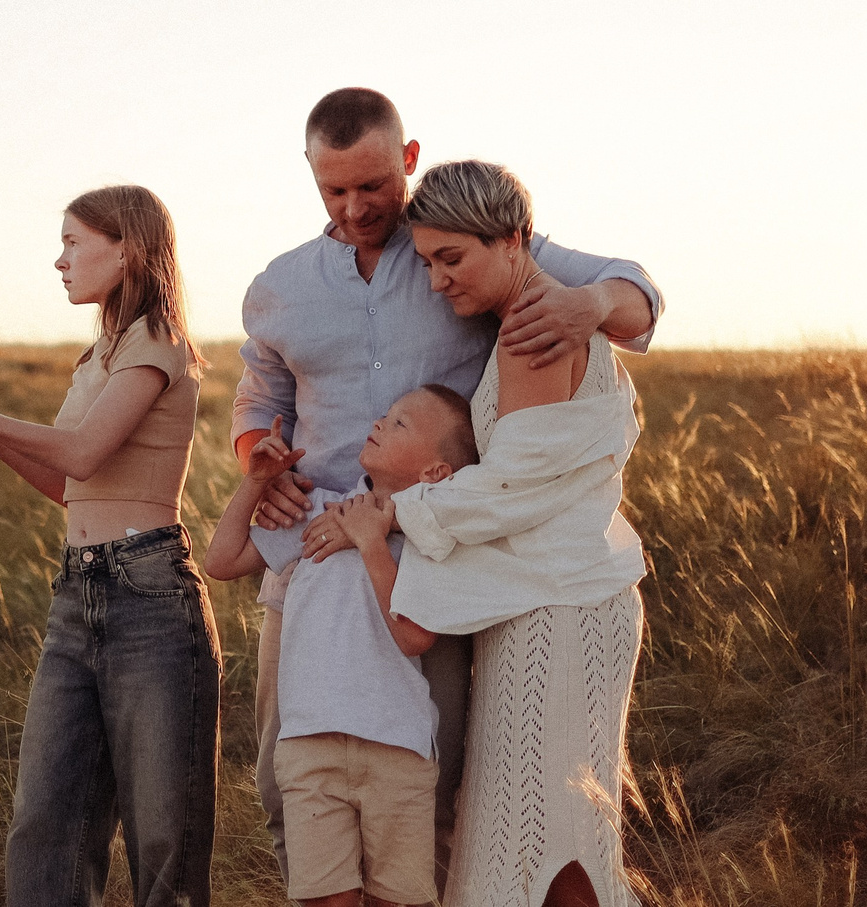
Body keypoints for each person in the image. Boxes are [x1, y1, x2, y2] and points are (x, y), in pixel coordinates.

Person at [234, 89, 662, 890]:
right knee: (288, 786)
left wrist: (593, 301)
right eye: (335, 190)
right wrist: (262, 456)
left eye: (373, 185)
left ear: (408, 159)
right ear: (311, 175)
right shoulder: (283, 285)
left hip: (443, 567)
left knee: (442, 787)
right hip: (312, 567)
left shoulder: (460, 237)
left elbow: (629, 289)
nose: (358, 207)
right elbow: (259, 395)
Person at [342, 160, 651, 907]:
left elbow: (512, 490)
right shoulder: (546, 312)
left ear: (514, 240)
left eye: (453, 258)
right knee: (550, 833)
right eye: (427, 262)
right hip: (560, 596)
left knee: (554, 846)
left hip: (560, 615)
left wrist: (398, 514)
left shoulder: (531, 328)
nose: (439, 280)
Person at [0, 185, 218, 907]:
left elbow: (81, 449)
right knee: (46, 828)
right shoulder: (95, 354)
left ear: (128, 247)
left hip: (150, 599)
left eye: (74, 242)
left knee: (164, 843)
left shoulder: (158, 341)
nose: (59, 259)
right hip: (77, 594)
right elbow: (74, 483)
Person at [205, 386, 481, 907]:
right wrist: (256, 483)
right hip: (311, 745)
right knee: (325, 898)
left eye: (401, 424)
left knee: (396, 899)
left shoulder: (432, 539)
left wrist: (372, 539)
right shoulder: (318, 510)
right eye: (385, 412)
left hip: (396, 752)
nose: (379, 421)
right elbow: (221, 562)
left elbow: (415, 636)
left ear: (435, 473)